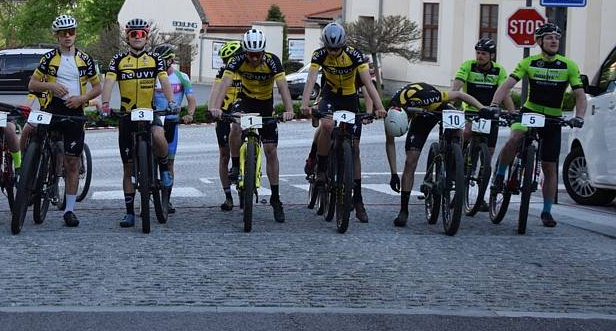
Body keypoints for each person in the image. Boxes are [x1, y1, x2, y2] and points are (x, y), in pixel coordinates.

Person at [488, 22, 586, 227]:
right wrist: (495, 104)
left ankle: (547, 211)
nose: (554, 41)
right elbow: (507, 85)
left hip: (553, 119)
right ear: (539, 41)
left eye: (557, 38)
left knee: (550, 167)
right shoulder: (529, 62)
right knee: (514, 138)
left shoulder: (568, 65)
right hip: (529, 112)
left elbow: (579, 95)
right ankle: (500, 175)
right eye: (549, 38)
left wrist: (580, 116)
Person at [299, 22, 386, 223]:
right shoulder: (319, 54)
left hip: (349, 99)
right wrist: (305, 104)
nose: (333, 52)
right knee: (327, 126)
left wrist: (379, 107)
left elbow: (367, 83)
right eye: (330, 48)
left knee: (354, 149)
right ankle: (321, 169)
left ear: (343, 45)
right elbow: (311, 79)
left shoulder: (355, 55)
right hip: (330, 96)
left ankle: (358, 198)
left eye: (336, 49)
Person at [208, 28, 295, 223]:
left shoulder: (273, 61)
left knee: (271, 151)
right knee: (236, 125)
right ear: (245, 52)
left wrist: (289, 109)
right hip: (245, 101)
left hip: (265, 104)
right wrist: (216, 108)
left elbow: (283, 87)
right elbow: (224, 84)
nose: (254, 59)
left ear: (263, 52)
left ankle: (275, 198)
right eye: (250, 55)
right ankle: (237, 164)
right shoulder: (237, 60)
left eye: (258, 55)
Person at [100, 18, 177, 228]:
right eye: (133, 34)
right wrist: (105, 103)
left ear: (146, 37)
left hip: (149, 112)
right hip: (127, 116)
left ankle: (163, 169)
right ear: (127, 37)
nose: (137, 37)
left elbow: (164, 81)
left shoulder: (155, 59)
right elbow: (108, 82)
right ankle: (129, 212)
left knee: (159, 136)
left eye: (141, 34)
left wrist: (171, 102)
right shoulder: (118, 60)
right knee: (128, 168)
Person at [28, 15, 102, 227]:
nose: (67, 36)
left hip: (75, 109)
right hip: (52, 107)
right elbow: (32, 84)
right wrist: (50, 86)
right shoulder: (49, 58)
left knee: (72, 162)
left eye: (71, 32)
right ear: (57, 36)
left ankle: (69, 210)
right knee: (34, 138)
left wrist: (83, 98)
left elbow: (97, 87)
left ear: (75, 33)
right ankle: (29, 180)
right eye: (63, 33)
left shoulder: (85, 59)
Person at [383, 82, 489, 227]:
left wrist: (482, 108)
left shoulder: (428, 97)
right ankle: (404, 210)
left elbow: (459, 95)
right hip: (420, 117)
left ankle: (455, 163)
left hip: (437, 107)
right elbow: (390, 143)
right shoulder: (390, 113)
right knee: (410, 161)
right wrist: (393, 174)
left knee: (458, 128)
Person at [451, 38, 515, 211]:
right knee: (466, 133)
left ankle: (481, 194)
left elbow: (505, 93)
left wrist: (512, 113)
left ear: (491, 56)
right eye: (478, 52)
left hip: (491, 112)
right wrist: (451, 99)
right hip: (471, 110)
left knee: (489, 154)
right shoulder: (468, 65)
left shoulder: (499, 70)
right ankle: (458, 161)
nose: (479, 56)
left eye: (483, 53)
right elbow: (457, 85)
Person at [152, 44, 196, 214]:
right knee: (149, 157)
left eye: (164, 60)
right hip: (154, 120)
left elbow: (191, 99)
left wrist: (190, 114)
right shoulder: (153, 77)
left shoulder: (181, 76)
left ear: (171, 60)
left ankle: (167, 199)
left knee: (169, 162)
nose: (160, 63)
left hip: (171, 122)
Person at [208, 41, 243, 211]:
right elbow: (215, 92)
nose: (230, 62)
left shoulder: (247, 70)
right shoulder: (222, 72)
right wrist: (212, 109)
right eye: (226, 59)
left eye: (232, 58)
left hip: (242, 114)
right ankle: (228, 196)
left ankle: (247, 176)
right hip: (224, 113)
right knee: (224, 155)